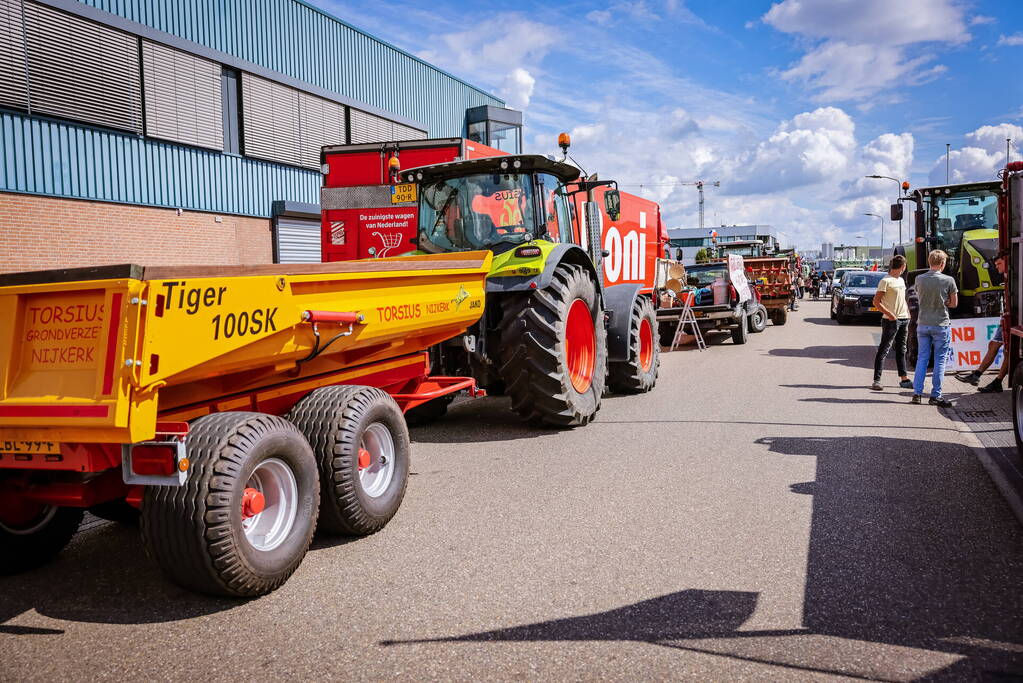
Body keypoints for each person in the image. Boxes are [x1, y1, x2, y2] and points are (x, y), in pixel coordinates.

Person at [956, 251, 1008, 392]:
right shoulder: (1007, 276)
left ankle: (980, 376)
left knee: (1004, 349)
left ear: (1007, 261)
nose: (996, 267)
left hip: (1009, 318)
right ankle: (986, 378)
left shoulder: (1012, 275)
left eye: (999, 264)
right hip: (1006, 317)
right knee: (995, 345)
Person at [912, 250, 958, 406]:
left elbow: (919, 296)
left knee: (922, 358)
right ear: (943, 263)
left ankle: (917, 394)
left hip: (923, 323)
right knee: (939, 360)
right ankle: (935, 395)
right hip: (941, 324)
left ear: (929, 261)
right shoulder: (949, 280)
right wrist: (944, 302)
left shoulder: (919, 279)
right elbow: (954, 303)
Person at [871, 255, 913, 391]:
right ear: (903, 267)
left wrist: (907, 313)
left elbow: (902, 299)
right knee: (884, 349)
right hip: (891, 320)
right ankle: (877, 380)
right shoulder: (885, 281)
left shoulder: (901, 280)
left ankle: (904, 378)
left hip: (904, 319)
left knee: (902, 350)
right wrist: (890, 315)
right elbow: (876, 302)